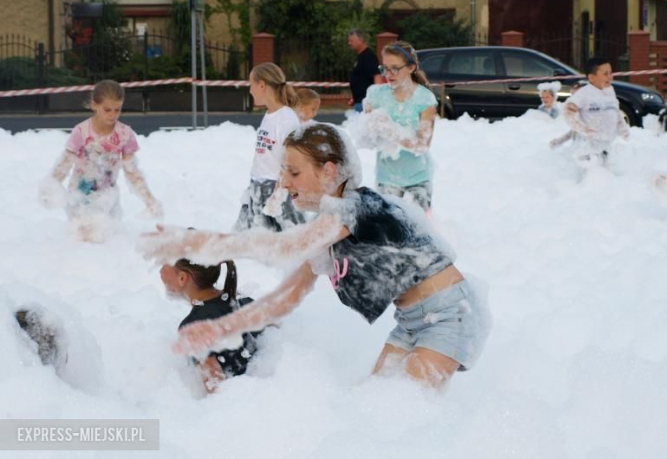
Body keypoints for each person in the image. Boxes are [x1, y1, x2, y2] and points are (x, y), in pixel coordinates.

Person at [139, 123, 491, 390]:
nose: (285, 182)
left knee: (408, 410)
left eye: (293, 172)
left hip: (450, 314)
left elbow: (284, 247)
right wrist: (222, 327)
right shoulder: (328, 229)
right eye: (282, 172)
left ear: (329, 171)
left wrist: (198, 243)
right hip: (411, 321)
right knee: (377, 405)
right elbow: (284, 298)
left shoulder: (357, 206)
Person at [38, 80, 162, 243]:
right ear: (94, 105)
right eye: (107, 110)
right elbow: (65, 163)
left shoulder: (125, 134)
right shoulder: (81, 132)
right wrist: (51, 187)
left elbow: (132, 171)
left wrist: (149, 199)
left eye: (118, 109)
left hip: (107, 199)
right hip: (79, 197)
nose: (113, 115)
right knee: (83, 241)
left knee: (104, 239)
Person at [159, 257, 264, 394]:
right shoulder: (242, 300)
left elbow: (216, 387)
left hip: (241, 401)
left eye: (163, 265)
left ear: (182, 278)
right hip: (260, 387)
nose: (160, 270)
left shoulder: (193, 328)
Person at [360, 41, 438, 213]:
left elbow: (422, 145)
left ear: (411, 68)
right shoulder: (375, 95)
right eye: (385, 68)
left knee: (419, 234)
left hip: (418, 179)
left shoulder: (425, 99)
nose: (388, 74)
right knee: (390, 235)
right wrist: (369, 126)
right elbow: (364, 139)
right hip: (386, 179)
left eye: (395, 68)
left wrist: (389, 130)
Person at [235, 63, 305, 232]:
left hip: (276, 190)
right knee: (246, 238)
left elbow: (293, 160)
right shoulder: (269, 115)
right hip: (257, 187)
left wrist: (279, 194)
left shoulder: (286, 118)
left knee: (291, 238)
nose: (250, 91)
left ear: (262, 85)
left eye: (251, 85)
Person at [562, 57, 629, 169]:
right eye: (605, 74)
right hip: (588, 149)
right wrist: (582, 128)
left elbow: (615, 112)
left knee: (606, 176)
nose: (610, 77)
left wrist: (623, 130)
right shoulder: (584, 93)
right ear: (592, 78)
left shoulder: (610, 91)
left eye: (611, 73)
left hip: (607, 146)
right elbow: (568, 110)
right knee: (593, 179)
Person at [347, 29, 383, 112]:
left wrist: (375, 100)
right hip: (359, 101)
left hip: (365, 103)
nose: (349, 43)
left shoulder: (369, 56)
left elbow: (377, 76)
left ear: (360, 40)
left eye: (351, 41)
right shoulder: (361, 57)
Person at [550, 80, 586, 148]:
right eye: (572, 96)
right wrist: (559, 141)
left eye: (577, 96)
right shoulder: (578, 112)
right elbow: (573, 132)